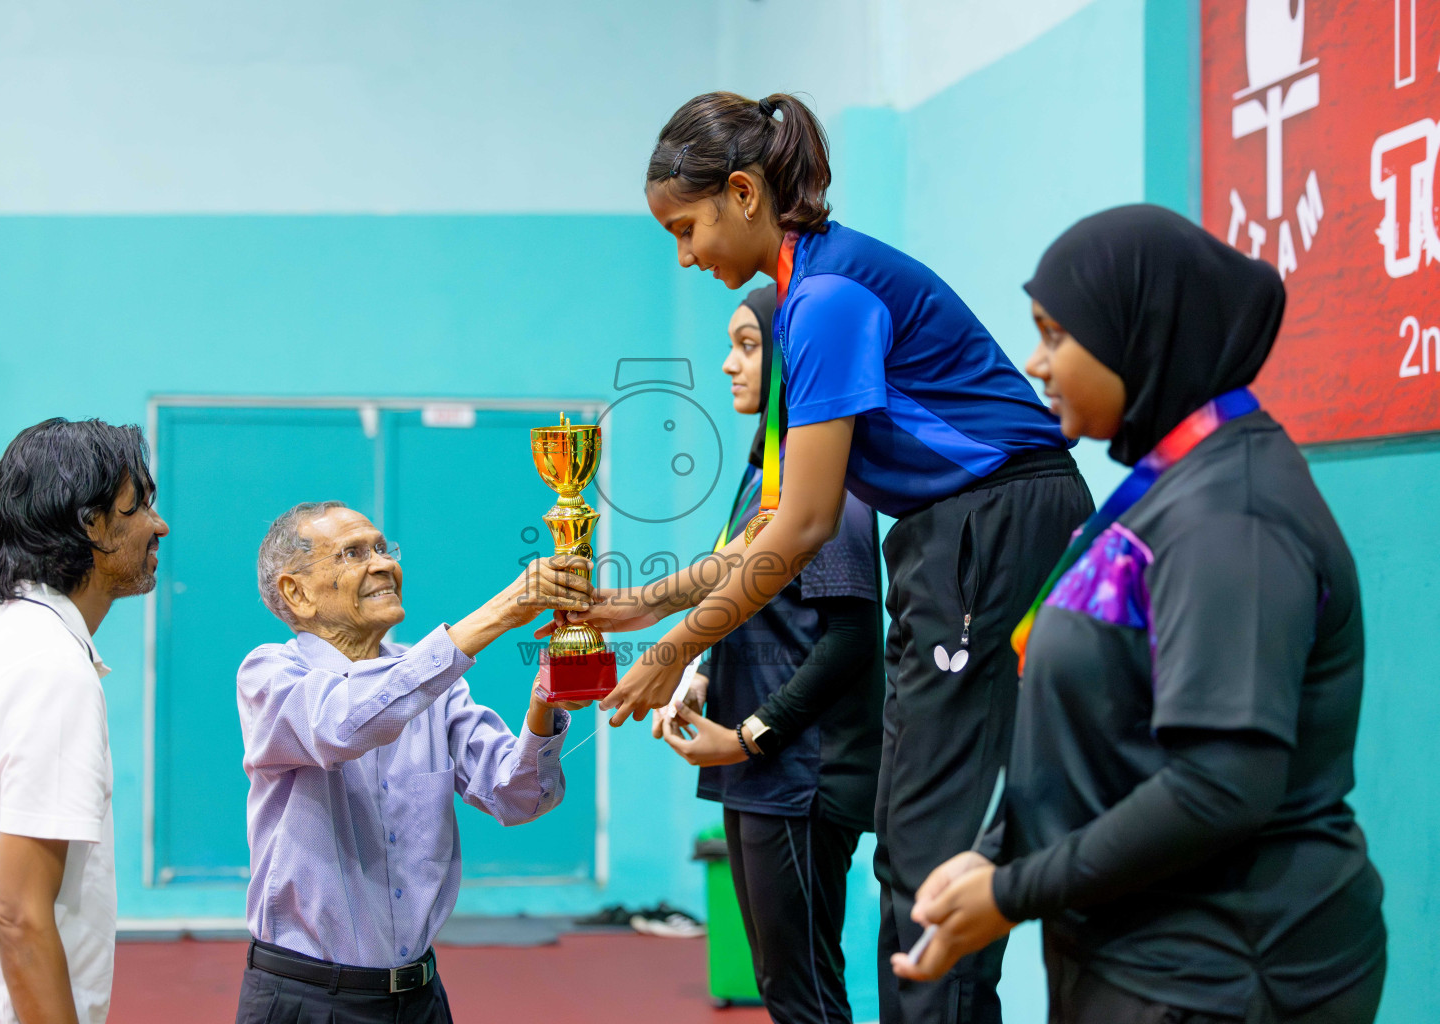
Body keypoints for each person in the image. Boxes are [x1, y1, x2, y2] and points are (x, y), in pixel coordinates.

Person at [567, 91, 1094, 1023]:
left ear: (740, 192)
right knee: (915, 845)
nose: (685, 257)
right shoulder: (809, 291)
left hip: (994, 517)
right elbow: (768, 526)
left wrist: (674, 650)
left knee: (926, 854)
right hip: (952, 528)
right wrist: (638, 609)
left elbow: (806, 528)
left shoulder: (825, 300)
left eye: (684, 229)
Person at [890, 205, 1387, 1024]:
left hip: (1228, 972)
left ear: (1138, 331)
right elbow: (1097, 727)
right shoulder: (1166, 488)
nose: (1035, 364)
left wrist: (1010, 892)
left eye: (1053, 335)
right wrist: (993, 853)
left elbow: (1221, 787)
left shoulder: (1233, 517)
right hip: (1140, 951)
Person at [234, 501, 593, 1024]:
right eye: (353, 553)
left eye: (383, 548)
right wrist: (506, 609)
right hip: (307, 1000)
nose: (382, 563)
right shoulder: (269, 674)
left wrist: (546, 698)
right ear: (297, 592)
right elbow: (343, 724)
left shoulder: (434, 684)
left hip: (420, 1000)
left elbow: (518, 798)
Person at [658, 285, 885, 1024]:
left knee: (805, 994)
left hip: (798, 775)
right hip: (757, 771)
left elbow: (851, 636)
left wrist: (751, 734)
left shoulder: (825, 481)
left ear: (795, 361)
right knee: (780, 987)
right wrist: (699, 675)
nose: (728, 364)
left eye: (748, 346)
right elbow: (747, 600)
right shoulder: (763, 473)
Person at [0, 418, 169, 1024]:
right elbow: (18, 916)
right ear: (90, 525)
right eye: (138, 508)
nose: (159, 526)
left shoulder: (26, 645)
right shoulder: (50, 669)